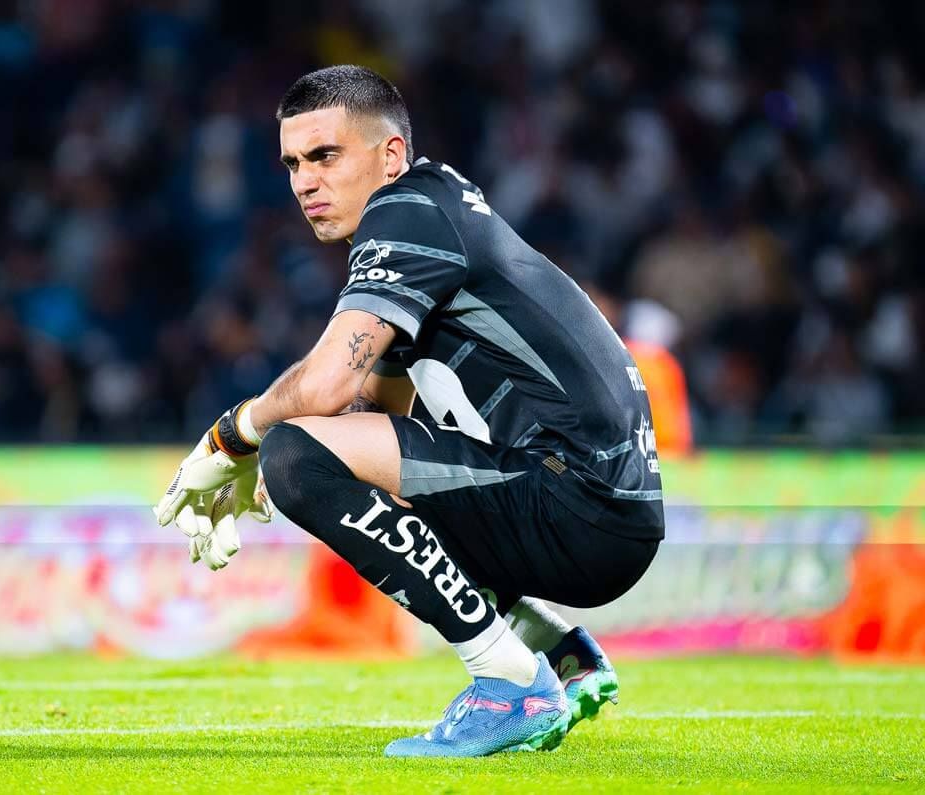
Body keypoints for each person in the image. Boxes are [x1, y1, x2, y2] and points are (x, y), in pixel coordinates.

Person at [155, 65, 664, 757]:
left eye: (325, 155)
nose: (304, 181)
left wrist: (233, 437)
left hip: (577, 502)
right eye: (293, 163)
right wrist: (288, 450)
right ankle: (554, 648)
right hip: (603, 509)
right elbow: (378, 413)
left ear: (390, 154)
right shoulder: (434, 210)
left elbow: (329, 386)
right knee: (321, 457)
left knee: (295, 454)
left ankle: (509, 681)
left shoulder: (406, 213)